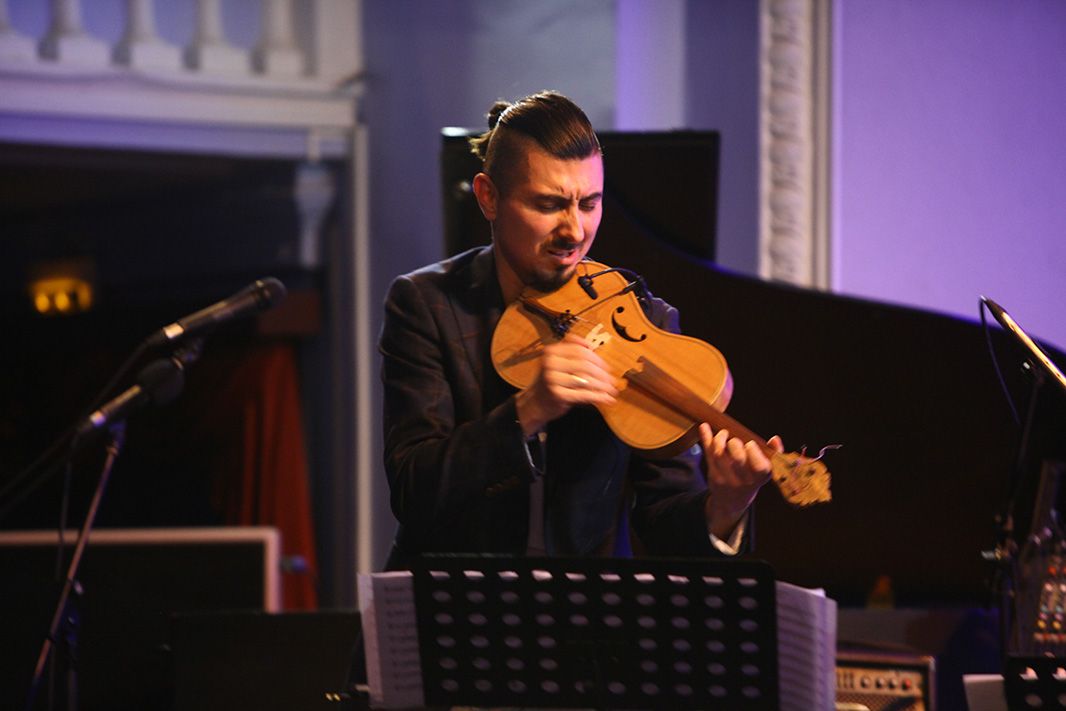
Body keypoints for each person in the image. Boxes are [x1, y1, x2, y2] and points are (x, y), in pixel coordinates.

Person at [379, 90, 781, 571]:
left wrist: (726, 507)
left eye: (589, 203)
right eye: (549, 204)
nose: (574, 231)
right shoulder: (426, 304)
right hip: (455, 598)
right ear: (489, 197)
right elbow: (413, 489)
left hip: (583, 606)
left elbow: (665, 522)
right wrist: (528, 410)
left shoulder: (644, 319)